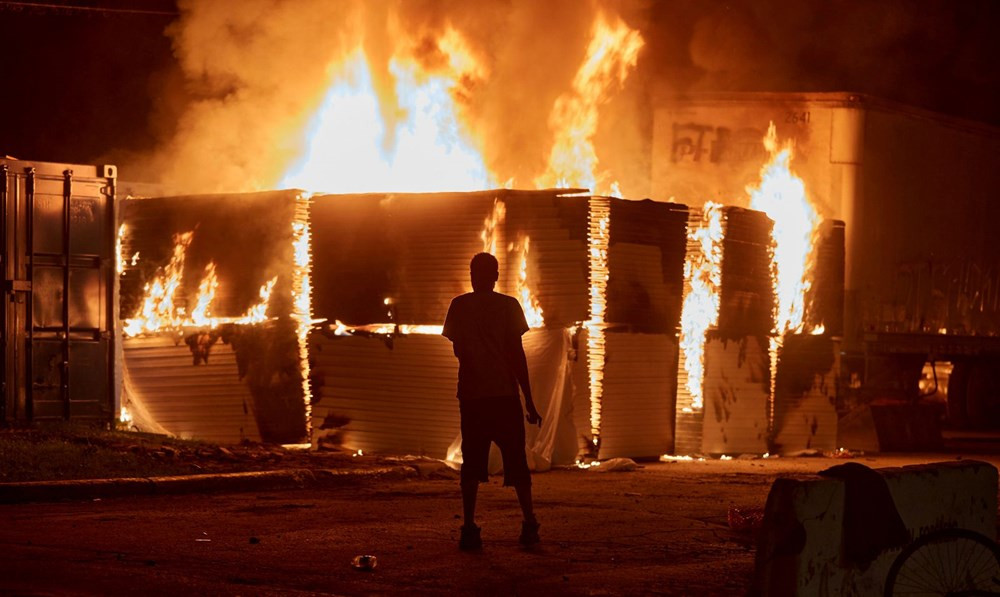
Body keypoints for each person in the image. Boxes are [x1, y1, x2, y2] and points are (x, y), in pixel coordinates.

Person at [442, 252, 542, 551]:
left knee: (471, 465)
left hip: (473, 398)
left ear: (472, 275)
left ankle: (469, 527)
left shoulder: (459, 306)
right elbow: (516, 355)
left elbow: (458, 350)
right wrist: (529, 400)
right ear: (495, 275)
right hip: (503, 397)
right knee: (517, 463)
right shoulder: (508, 306)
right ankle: (529, 524)